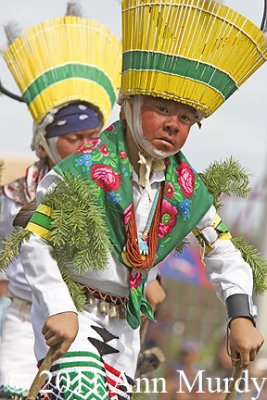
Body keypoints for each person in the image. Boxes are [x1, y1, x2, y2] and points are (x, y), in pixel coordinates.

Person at [2, 0, 267, 398]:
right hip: (67, 314)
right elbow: (36, 240)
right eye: (161, 109)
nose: (173, 126)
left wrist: (241, 315)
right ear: (128, 106)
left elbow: (223, 252)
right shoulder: (79, 172)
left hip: (124, 329)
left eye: (186, 119)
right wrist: (58, 305)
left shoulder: (187, 190)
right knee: (79, 388)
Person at [0, 3, 121, 398]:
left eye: (94, 137)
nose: (87, 147)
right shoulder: (14, 196)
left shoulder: (114, 193)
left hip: (90, 326)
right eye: (73, 139)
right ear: (47, 142)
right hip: (22, 324)